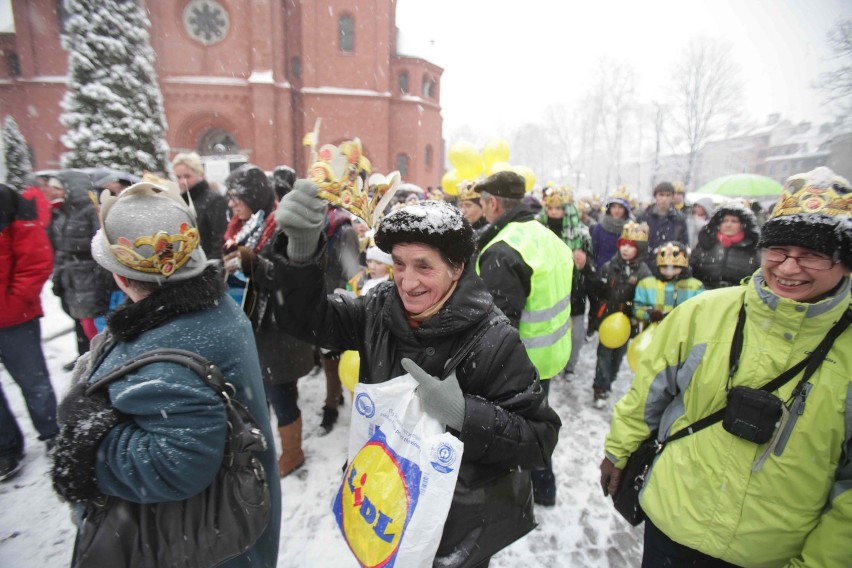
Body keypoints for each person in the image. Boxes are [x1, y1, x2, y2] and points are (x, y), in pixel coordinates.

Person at [272, 185, 561, 568]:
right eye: (399, 264)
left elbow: (540, 439)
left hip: (454, 528)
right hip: (381, 505)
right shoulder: (378, 308)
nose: (407, 282)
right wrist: (301, 252)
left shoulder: (494, 339)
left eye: (424, 266)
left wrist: (464, 415)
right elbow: (307, 321)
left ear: (457, 268)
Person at [600, 166, 852, 567]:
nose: (788, 268)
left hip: (769, 550)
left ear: (846, 262)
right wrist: (619, 448)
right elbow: (648, 392)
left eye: (812, 256)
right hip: (673, 517)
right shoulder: (702, 312)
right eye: (779, 252)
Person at [50, 181, 280, 566]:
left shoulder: (167, 354)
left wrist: (90, 445)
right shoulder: (213, 308)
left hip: (193, 542)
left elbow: (178, 464)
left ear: (121, 277)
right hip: (228, 524)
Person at [476, 170, 573, 508]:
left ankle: (518, 498)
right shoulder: (545, 235)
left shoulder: (504, 249)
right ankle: (544, 488)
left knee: (516, 435)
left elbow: (497, 325)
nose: (481, 208)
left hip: (520, 364)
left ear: (493, 203)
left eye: (482, 202)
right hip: (549, 356)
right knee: (538, 425)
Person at [221, 164, 315, 477]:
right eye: (230, 197)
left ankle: (293, 454)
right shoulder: (238, 226)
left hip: (278, 328)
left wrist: (253, 264)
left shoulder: (279, 227)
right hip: (254, 325)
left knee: (280, 392)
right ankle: (279, 444)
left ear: (254, 195)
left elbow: (288, 279)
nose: (231, 204)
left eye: (237, 197)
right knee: (270, 390)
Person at [0, 184, 59, 481]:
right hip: (10, 308)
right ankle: (5, 446)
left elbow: (35, 260)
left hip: (14, 316)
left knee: (33, 379)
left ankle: (52, 431)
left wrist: (11, 302)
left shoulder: (9, 204)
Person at [48, 170, 109, 370]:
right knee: (81, 322)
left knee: (93, 325)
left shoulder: (90, 211)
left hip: (89, 277)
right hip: (72, 278)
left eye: (57, 188)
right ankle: (85, 358)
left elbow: (101, 242)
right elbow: (60, 248)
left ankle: (99, 362)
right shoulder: (62, 213)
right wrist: (59, 278)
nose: (52, 192)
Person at [588, 221, 652, 408]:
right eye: (623, 244)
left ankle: (610, 380)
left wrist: (635, 313)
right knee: (604, 354)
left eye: (630, 247)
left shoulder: (644, 272)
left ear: (638, 250)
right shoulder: (609, 266)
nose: (625, 249)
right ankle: (599, 387)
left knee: (618, 356)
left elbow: (644, 298)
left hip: (627, 321)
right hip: (608, 318)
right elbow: (600, 293)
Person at [538, 186, 595, 376]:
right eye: (551, 208)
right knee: (547, 331)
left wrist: (584, 264)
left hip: (574, 290)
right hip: (546, 290)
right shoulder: (538, 230)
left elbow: (591, 267)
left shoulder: (582, 233)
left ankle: (570, 367)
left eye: (559, 208)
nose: (554, 212)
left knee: (576, 334)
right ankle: (550, 365)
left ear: (567, 209)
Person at [690, 202, 761, 290]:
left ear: (742, 225)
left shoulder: (752, 248)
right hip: (706, 295)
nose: (728, 225)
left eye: (734, 221)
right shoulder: (705, 244)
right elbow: (691, 272)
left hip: (738, 297)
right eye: (724, 221)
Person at [171, 151, 228, 260]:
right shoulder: (181, 201)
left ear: (200, 174)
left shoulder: (215, 200)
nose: (182, 182)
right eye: (178, 177)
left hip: (205, 266)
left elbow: (220, 239)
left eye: (187, 176)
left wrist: (210, 269)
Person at [633, 241, 705, 324]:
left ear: (684, 266)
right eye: (665, 267)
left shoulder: (695, 286)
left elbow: (701, 310)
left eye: (675, 267)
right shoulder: (646, 284)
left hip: (683, 332)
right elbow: (637, 308)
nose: (669, 271)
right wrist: (649, 313)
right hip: (653, 331)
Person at [591, 188, 633, 271]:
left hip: (623, 272)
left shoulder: (631, 229)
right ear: (609, 209)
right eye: (614, 207)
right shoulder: (599, 228)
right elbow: (594, 252)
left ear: (625, 210)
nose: (617, 210)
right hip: (602, 271)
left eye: (620, 207)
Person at [638, 181, 688, 251]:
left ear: (672, 197)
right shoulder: (644, 216)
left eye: (668, 195)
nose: (664, 199)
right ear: (655, 196)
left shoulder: (679, 218)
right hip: (647, 258)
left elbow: (683, 244)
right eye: (661, 195)